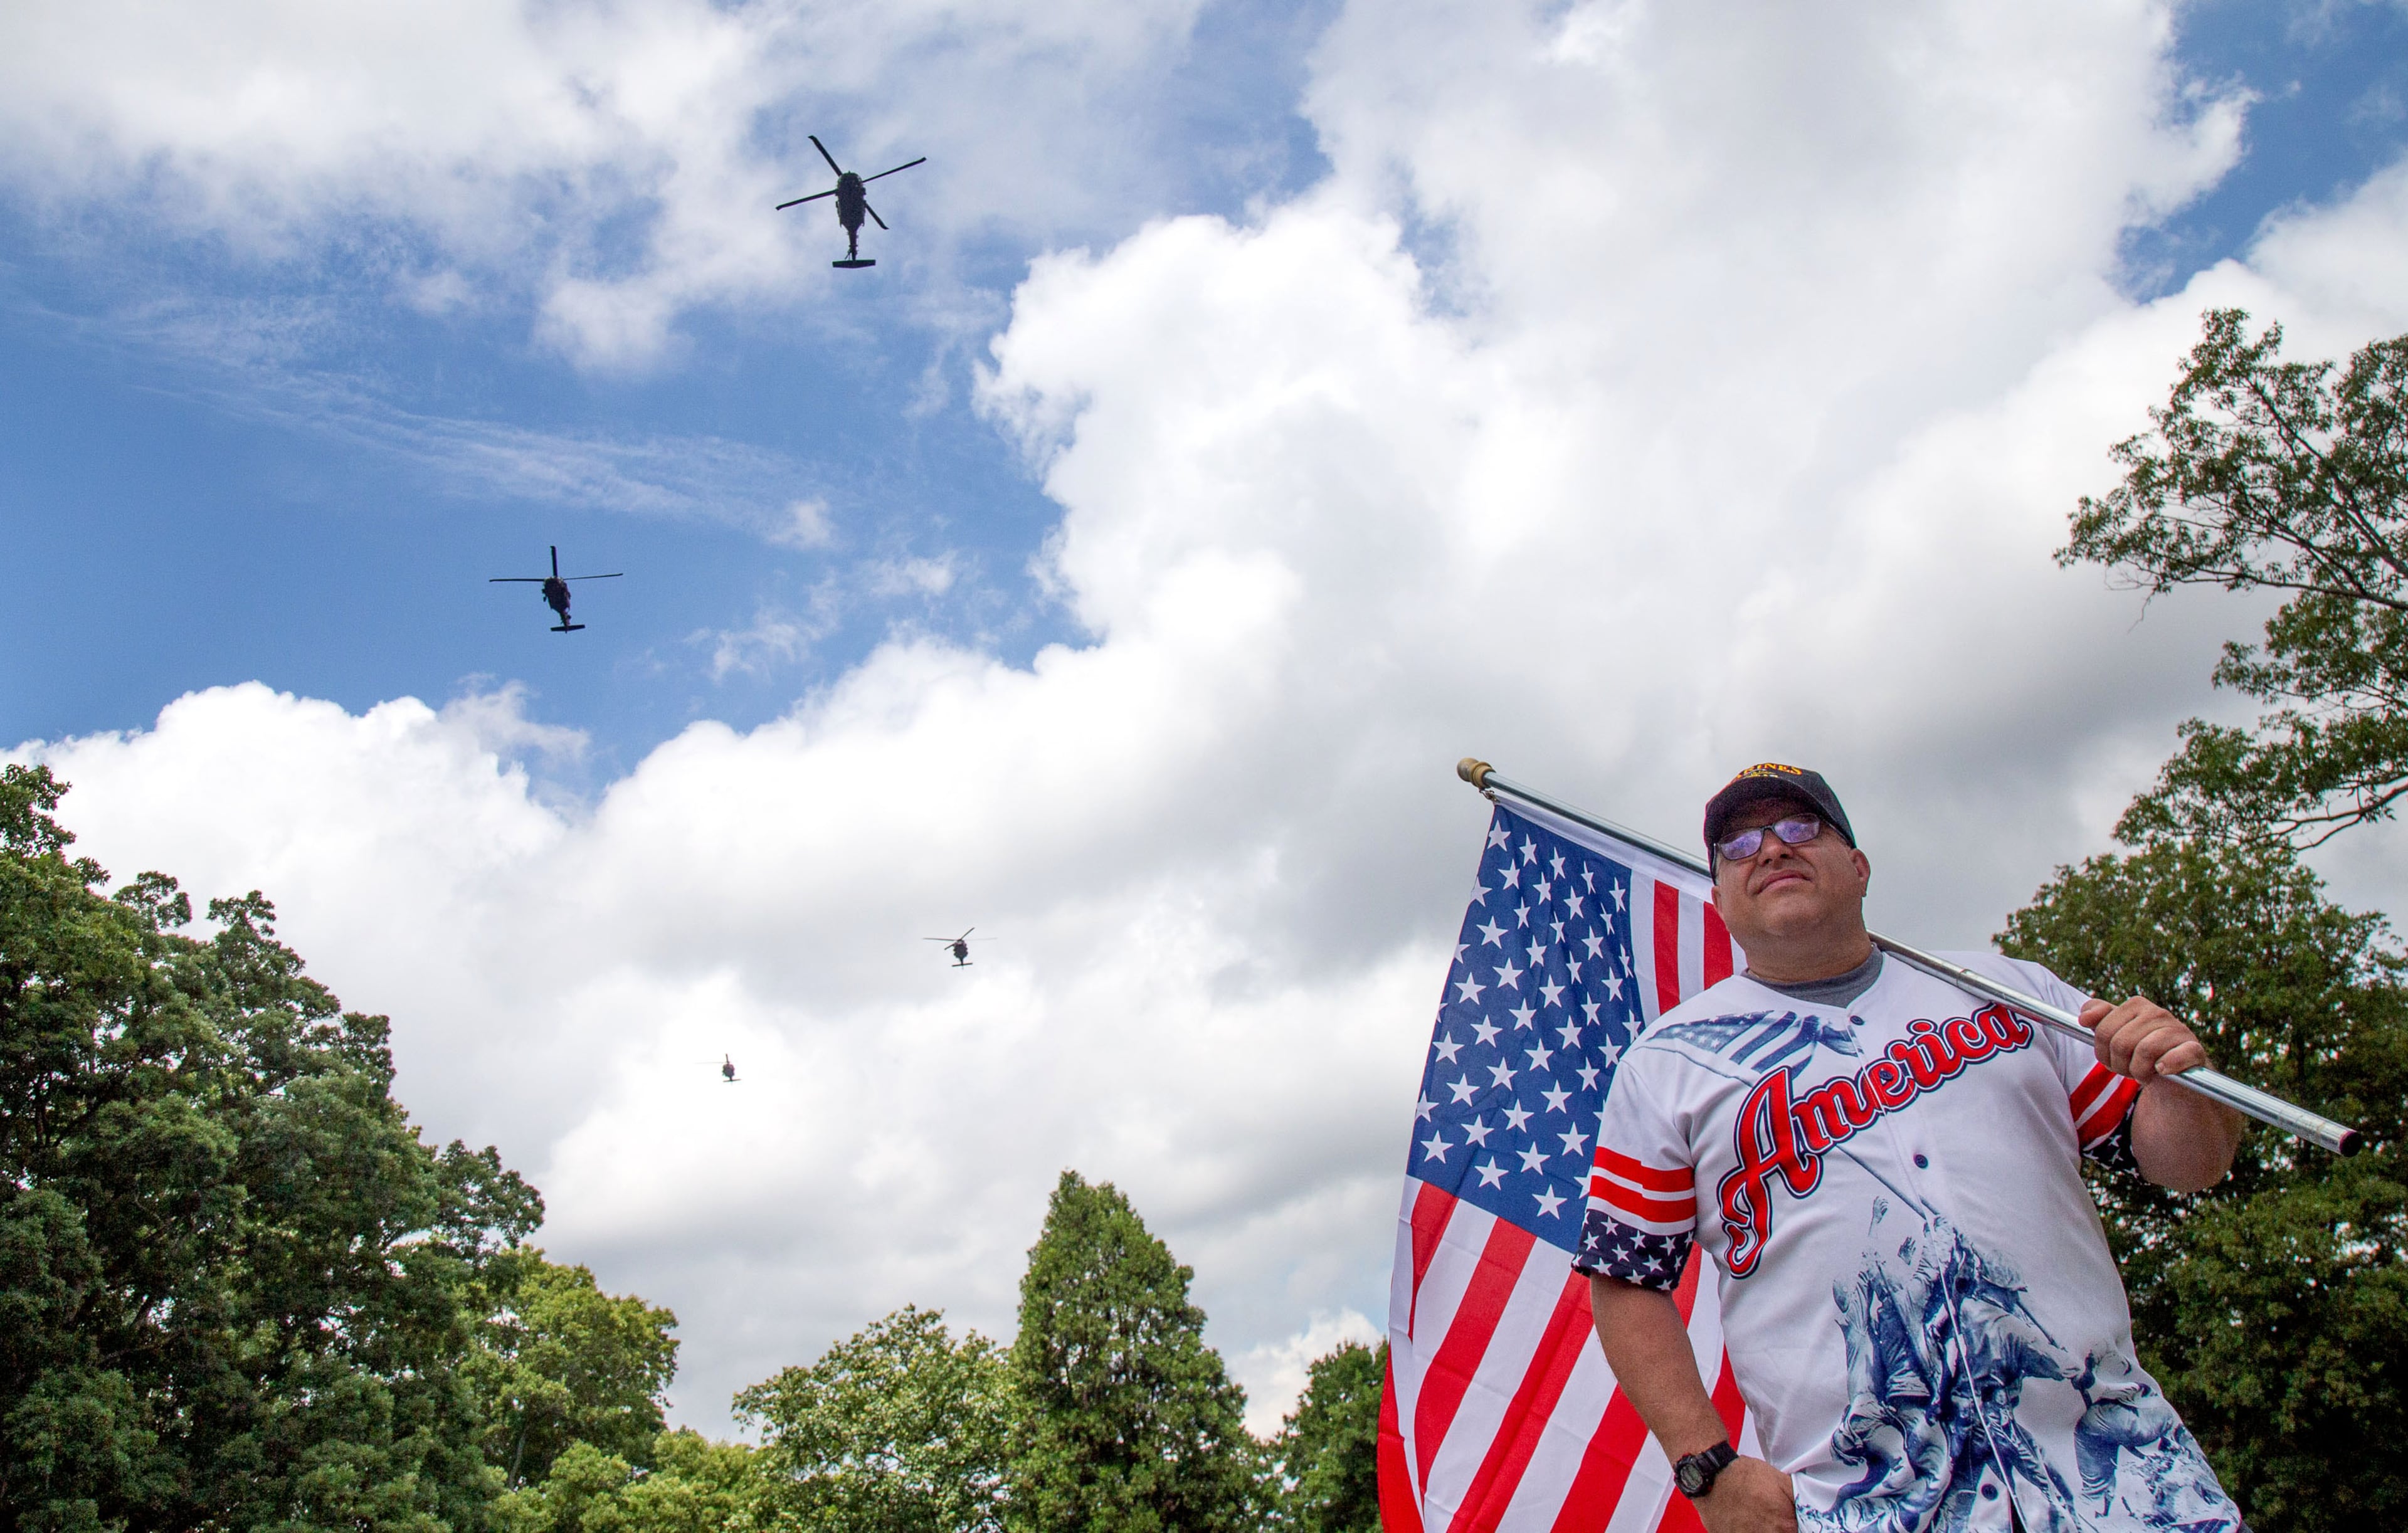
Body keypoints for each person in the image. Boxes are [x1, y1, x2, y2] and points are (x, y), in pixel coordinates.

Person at [1575, 763, 2247, 1533]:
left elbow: (2190, 1165)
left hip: (2126, 1480)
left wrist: (2181, 1082)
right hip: (1871, 1502)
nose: (1771, 850)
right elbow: (1626, 1281)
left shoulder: (2009, 991)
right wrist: (1707, 1470)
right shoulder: (1667, 1063)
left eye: (1801, 829)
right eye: (1740, 844)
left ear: (1858, 866)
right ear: (1719, 896)